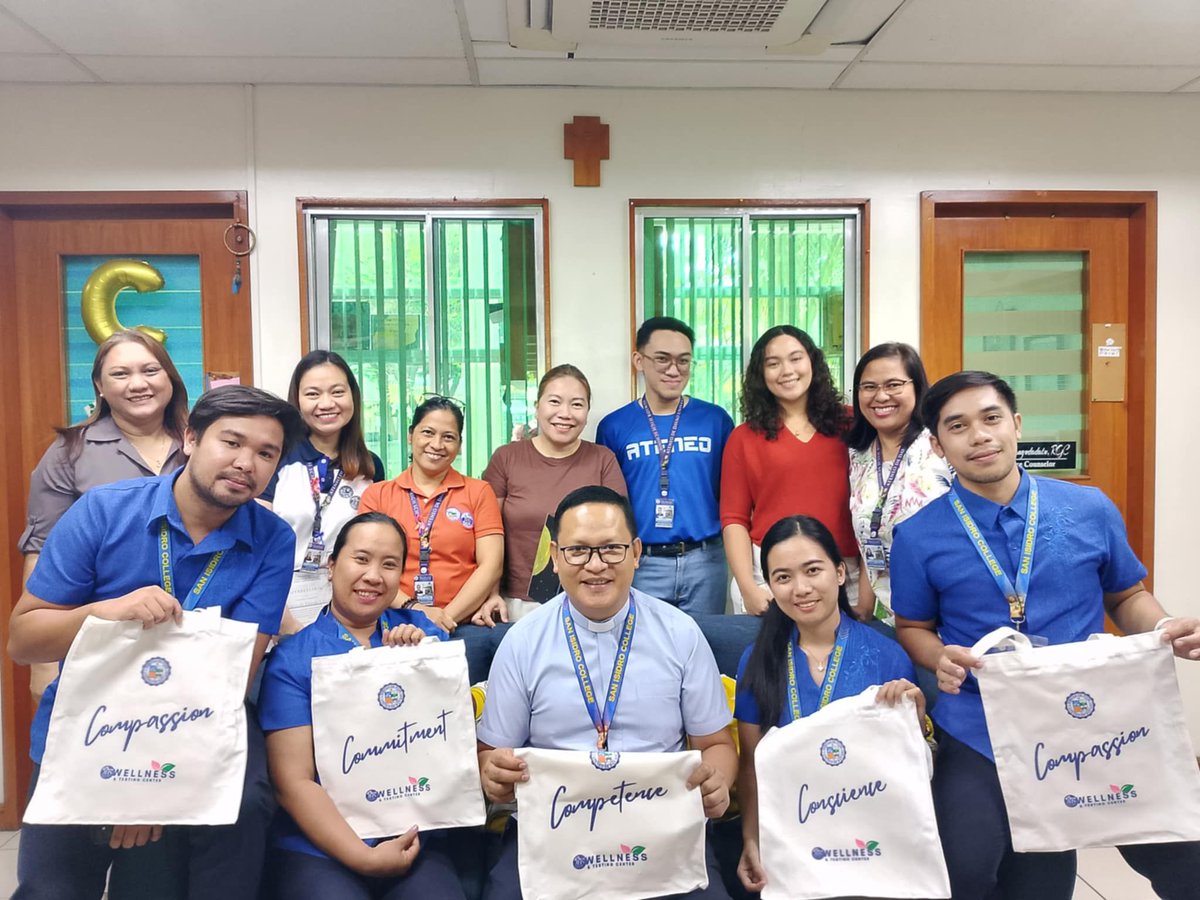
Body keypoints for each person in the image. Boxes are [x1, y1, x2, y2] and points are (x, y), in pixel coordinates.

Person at [891, 370, 1200, 900]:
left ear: (1016, 423)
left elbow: (1125, 596)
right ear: (940, 447)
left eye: (991, 419)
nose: (980, 436)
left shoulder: (1088, 508)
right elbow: (912, 626)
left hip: (1094, 716)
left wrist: (1162, 626)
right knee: (966, 866)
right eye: (958, 427)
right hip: (980, 722)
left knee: (1183, 855)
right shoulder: (918, 536)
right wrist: (939, 656)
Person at [7, 384, 304, 900]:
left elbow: (235, 674)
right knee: (51, 890)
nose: (245, 463)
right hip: (85, 729)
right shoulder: (104, 511)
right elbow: (24, 641)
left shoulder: (271, 538)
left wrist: (143, 788)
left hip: (185, 730)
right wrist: (104, 613)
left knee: (153, 882)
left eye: (265, 453)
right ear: (189, 437)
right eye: (231, 442)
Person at [476, 486, 738, 900]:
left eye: (612, 549)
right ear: (556, 557)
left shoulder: (680, 633)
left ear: (636, 552)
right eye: (578, 551)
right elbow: (490, 752)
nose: (595, 565)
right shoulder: (522, 641)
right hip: (554, 829)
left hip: (661, 828)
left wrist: (717, 782)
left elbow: (717, 744)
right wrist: (493, 773)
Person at [258, 512, 463, 900]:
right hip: (318, 845)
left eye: (389, 565)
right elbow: (293, 781)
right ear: (332, 566)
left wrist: (417, 665)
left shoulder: (427, 637)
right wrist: (363, 858)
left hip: (413, 838)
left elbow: (452, 740)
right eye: (361, 559)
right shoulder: (295, 658)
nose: (373, 575)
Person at [733, 514, 924, 894]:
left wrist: (915, 719)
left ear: (839, 573)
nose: (800, 588)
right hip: (792, 833)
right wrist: (751, 840)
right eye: (783, 577)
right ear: (770, 585)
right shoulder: (757, 662)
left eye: (813, 570)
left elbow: (907, 769)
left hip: (871, 835)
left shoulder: (887, 656)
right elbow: (752, 766)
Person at [20, 330, 190, 703]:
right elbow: (41, 551)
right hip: (102, 642)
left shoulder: (200, 446)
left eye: (150, 370)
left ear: (170, 379)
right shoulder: (69, 452)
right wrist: (43, 662)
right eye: (120, 374)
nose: (138, 384)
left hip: (192, 636)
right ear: (99, 385)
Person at [596, 317, 734, 617]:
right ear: (639, 360)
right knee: (645, 651)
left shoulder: (715, 420)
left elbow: (733, 494)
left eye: (683, 361)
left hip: (705, 561)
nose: (674, 370)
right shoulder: (614, 426)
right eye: (662, 359)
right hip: (643, 562)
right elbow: (610, 504)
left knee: (704, 648)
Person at [358, 396, 503, 681]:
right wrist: (418, 610)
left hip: (462, 625)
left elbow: (491, 564)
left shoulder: (478, 492)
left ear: (459, 445)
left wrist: (445, 618)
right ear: (411, 435)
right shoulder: (378, 495)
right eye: (428, 433)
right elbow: (366, 565)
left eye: (448, 437)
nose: (437, 445)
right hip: (392, 621)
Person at [721, 325, 861, 617]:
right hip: (772, 575)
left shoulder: (851, 423)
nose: (787, 370)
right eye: (773, 363)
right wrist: (748, 587)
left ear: (813, 361)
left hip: (844, 572)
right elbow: (734, 518)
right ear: (761, 374)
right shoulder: (743, 437)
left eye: (796, 358)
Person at [477, 364, 626, 624]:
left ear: (587, 411)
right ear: (537, 406)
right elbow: (488, 533)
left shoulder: (603, 460)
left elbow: (617, 533)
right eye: (554, 402)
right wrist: (490, 593)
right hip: (516, 602)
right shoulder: (507, 458)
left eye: (577, 405)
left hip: (586, 599)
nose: (564, 413)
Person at [262, 350, 385, 633]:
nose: (326, 403)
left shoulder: (370, 466)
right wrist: (285, 624)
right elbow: (257, 545)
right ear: (297, 400)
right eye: (313, 394)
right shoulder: (275, 456)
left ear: (352, 396)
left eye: (337, 392)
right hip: (279, 604)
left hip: (348, 608)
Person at [844, 342, 950, 626]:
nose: (881, 396)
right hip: (892, 618)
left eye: (893, 385)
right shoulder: (859, 455)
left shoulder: (941, 447)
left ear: (917, 387)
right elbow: (871, 537)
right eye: (869, 387)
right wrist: (864, 609)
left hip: (945, 616)